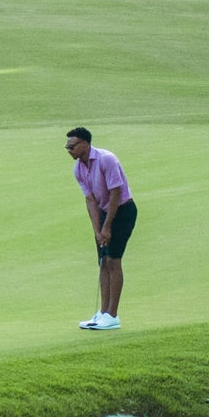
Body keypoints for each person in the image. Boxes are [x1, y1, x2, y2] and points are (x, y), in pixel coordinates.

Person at [66, 126, 136, 330]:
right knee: (103, 262)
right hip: (104, 212)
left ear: (84, 144)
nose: (69, 150)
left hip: (122, 211)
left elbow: (116, 193)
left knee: (113, 260)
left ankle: (112, 315)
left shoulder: (107, 159)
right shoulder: (78, 169)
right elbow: (90, 200)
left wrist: (107, 227)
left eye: (72, 146)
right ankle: (103, 313)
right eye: (67, 147)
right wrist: (98, 231)